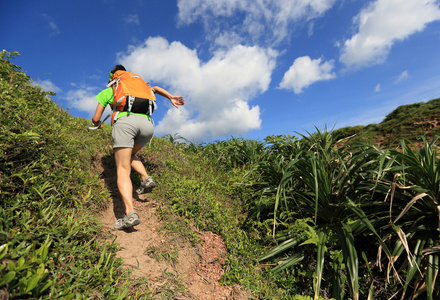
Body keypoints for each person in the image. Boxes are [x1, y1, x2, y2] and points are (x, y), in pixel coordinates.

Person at [91, 65, 185, 230]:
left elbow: (96, 117)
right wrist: (171, 97)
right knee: (131, 155)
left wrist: (97, 124)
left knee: (122, 168)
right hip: (147, 125)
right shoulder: (140, 86)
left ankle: (129, 213)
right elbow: (155, 88)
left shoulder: (113, 89)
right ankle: (145, 178)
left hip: (126, 123)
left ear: (113, 77)